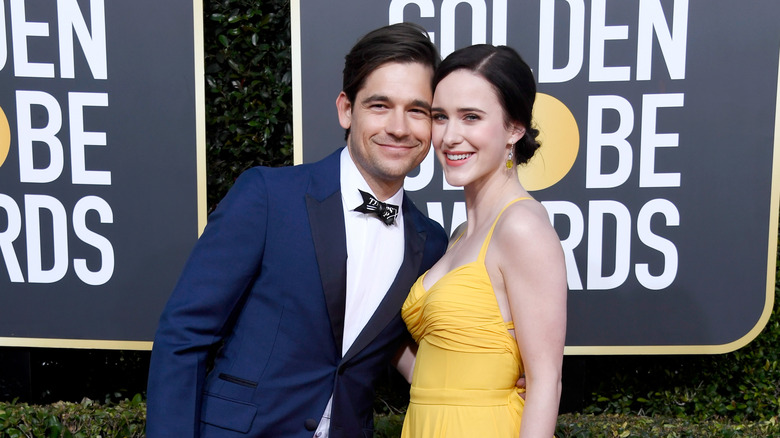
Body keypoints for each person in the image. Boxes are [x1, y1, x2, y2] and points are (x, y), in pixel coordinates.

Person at [145, 22, 448, 438]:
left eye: (417, 110)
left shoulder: (431, 243)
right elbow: (184, 335)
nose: (399, 127)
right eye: (380, 105)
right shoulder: (268, 195)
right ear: (346, 108)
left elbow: (405, 350)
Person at [396, 44, 567, 437]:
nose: (450, 136)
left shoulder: (521, 227)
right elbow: (441, 372)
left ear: (514, 128)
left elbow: (545, 382)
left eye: (471, 117)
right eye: (441, 117)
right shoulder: (460, 235)